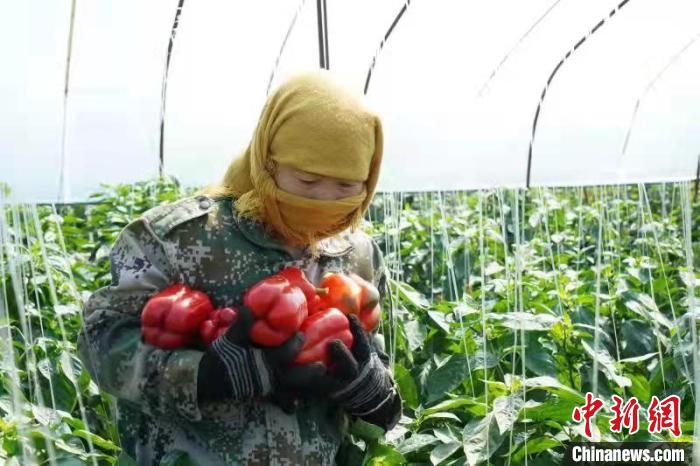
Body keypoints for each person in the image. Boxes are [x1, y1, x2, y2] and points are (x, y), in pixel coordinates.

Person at [77, 71, 402, 465]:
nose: (325, 200)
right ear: (268, 160)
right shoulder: (179, 239)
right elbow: (100, 342)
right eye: (307, 180)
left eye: (347, 187)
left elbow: (378, 356)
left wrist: (372, 389)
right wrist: (208, 375)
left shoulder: (358, 252)